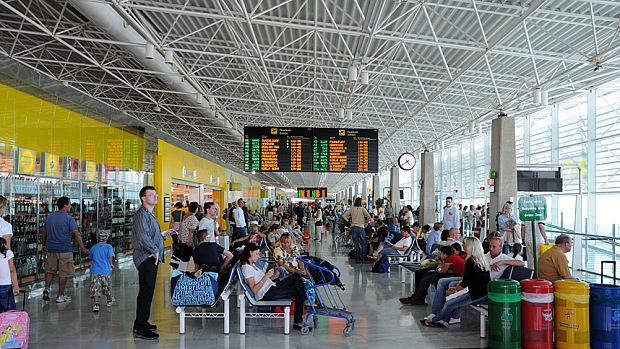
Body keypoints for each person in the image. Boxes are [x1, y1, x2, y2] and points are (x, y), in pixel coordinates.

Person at [421, 237, 490, 328]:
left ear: (470, 246)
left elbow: (466, 282)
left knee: (449, 303)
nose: (463, 245)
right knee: (450, 301)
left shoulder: (470, 261)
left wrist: (456, 290)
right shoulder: (482, 259)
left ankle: (434, 319)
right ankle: (444, 321)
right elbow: (470, 280)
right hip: (482, 292)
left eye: (465, 244)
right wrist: (457, 289)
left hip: (475, 294)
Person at [240, 243, 308, 331]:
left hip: (271, 286)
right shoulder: (247, 268)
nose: (258, 257)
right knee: (298, 291)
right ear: (250, 253)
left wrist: (273, 277)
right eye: (256, 254)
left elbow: (262, 280)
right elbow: (254, 290)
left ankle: (304, 302)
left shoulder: (252, 265)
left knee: (295, 276)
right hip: (267, 293)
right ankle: (299, 318)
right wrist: (266, 276)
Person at [41, 196, 89, 304]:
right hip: (65, 250)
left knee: (50, 270)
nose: (71, 206)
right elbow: (76, 233)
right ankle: (60, 295)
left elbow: (44, 232)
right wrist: (82, 247)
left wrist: (43, 244)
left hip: (51, 249)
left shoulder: (50, 217)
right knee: (64, 273)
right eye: (70, 204)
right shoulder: (69, 219)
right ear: (65, 205)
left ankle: (47, 289)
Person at [132, 186, 165, 340]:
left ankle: (141, 322)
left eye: (155, 194)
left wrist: (163, 236)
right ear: (143, 198)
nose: (155, 196)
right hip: (146, 257)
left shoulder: (150, 214)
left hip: (152, 256)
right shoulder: (141, 215)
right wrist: (154, 250)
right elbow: (143, 237)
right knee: (146, 292)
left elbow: (151, 235)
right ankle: (140, 327)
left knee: (148, 291)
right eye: (151, 195)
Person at [400, 245, 465, 305]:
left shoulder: (450, 258)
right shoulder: (452, 258)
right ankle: (418, 298)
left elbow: (442, 271)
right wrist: (439, 268)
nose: (439, 255)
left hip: (458, 276)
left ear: (445, 254)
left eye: (440, 253)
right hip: (455, 275)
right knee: (424, 274)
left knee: (428, 277)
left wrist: (438, 269)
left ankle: (416, 298)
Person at [88, 231, 115, 312]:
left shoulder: (93, 247)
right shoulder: (108, 247)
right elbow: (110, 256)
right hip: (105, 270)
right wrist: (111, 264)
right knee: (107, 287)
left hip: (95, 271)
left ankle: (96, 304)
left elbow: (91, 257)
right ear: (106, 238)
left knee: (95, 288)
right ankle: (109, 300)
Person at [341, 198, 370, 263]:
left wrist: (349, 221)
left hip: (353, 227)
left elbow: (343, 215)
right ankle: (364, 259)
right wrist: (366, 222)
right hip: (361, 227)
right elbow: (369, 216)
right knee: (364, 243)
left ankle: (357, 260)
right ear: (360, 202)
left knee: (356, 244)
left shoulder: (352, 209)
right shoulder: (362, 209)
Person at [0, 237, 19, 312]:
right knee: (10, 311)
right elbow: (12, 270)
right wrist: (16, 286)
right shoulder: (8, 253)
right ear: (4, 244)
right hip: (6, 285)